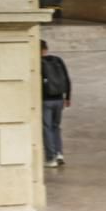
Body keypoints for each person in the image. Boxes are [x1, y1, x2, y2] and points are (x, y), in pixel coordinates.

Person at [39, 40, 71, 169]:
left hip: (46, 100)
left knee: (47, 129)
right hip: (59, 99)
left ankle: (50, 157)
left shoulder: (38, 63)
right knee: (56, 127)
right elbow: (67, 78)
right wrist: (67, 97)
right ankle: (59, 154)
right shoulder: (58, 60)